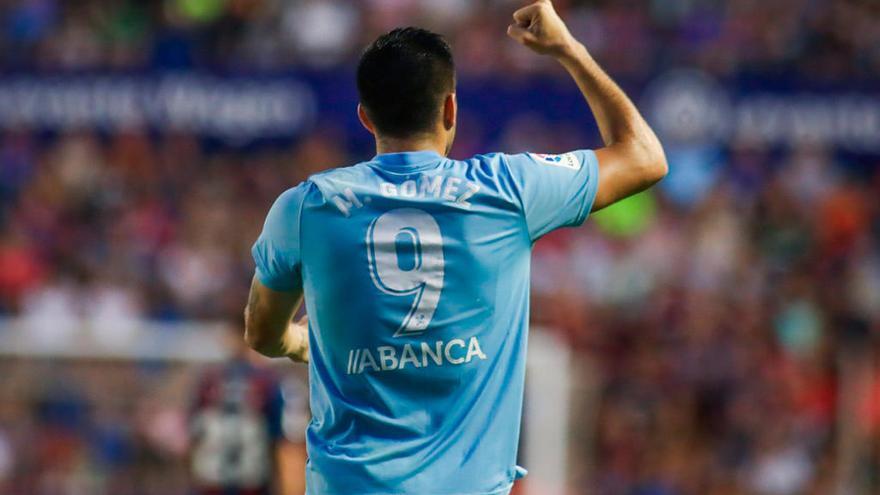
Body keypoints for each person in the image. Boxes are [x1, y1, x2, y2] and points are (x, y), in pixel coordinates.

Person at [243, 1, 666, 493]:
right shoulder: (508, 190)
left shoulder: (305, 208)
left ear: (365, 117)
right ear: (450, 109)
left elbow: (260, 331)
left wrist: (297, 342)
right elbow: (645, 156)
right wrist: (568, 50)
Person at [189, 323, 308, 495]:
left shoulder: (208, 381)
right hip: (251, 485)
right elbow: (285, 445)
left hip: (210, 484)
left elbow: (193, 437)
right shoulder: (270, 383)